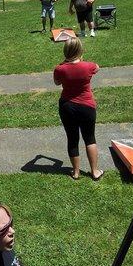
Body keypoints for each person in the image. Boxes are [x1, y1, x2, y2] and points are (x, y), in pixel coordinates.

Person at [53, 37, 104, 181]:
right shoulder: (89, 66)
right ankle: (94, 172)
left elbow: (57, 83)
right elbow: (97, 67)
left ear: (65, 51)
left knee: (72, 139)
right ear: (80, 51)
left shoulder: (60, 68)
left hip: (67, 106)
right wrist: (81, 60)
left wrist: (65, 63)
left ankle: (76, 173)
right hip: (87, 106)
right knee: (90, 138)